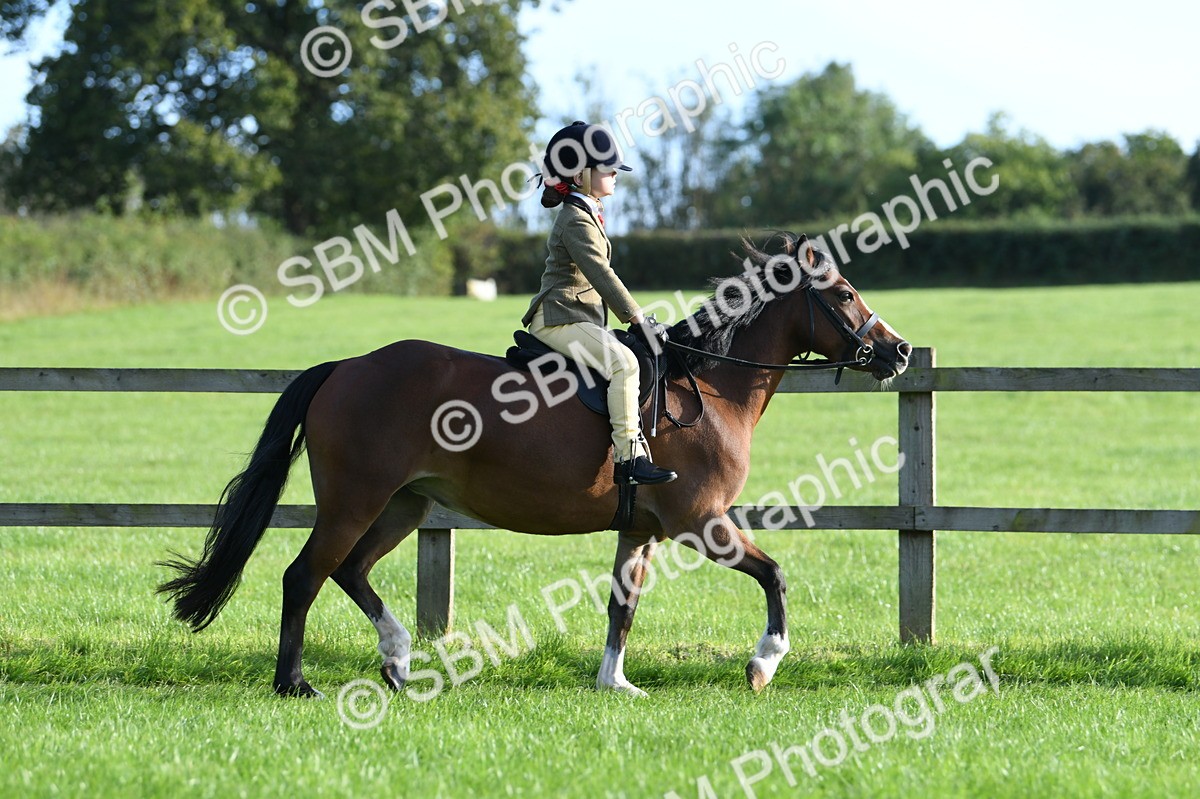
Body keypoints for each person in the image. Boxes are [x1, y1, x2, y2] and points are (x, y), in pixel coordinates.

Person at [521, 121, 677, 486]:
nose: (614, 174)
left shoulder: (587, 212)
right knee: (623, 364)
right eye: (606, 168)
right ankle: (628, 459)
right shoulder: (575, 219)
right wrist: (637, 319)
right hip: (559, 318)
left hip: (578, 317)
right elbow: (601, 274)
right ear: (579, 174)